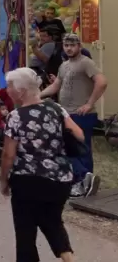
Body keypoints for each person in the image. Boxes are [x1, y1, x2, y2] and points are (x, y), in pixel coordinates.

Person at [1, 68, 83, 262]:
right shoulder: (56, 109)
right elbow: (79, 135)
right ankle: (69, 258)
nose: (7, 90)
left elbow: (8, 154)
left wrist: (4, 181)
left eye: (9, 86)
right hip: (59, 179)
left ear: (21, 91)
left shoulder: (16, 116)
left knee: (25, 233)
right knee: (52, 221)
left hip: (27, 181)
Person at [40, 33, 107, 197]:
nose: (69, 48)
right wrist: (38, 96)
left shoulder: (86, 63)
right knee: (70, 147)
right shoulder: (64, 66)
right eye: (66, 45)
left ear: (79, 46)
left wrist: (89, 103)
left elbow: (102, 82)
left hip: (82, 113)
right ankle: (85, 181)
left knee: (77, 148)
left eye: (72, 45)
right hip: (66, 113)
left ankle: (83, 179)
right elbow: (56, 85)